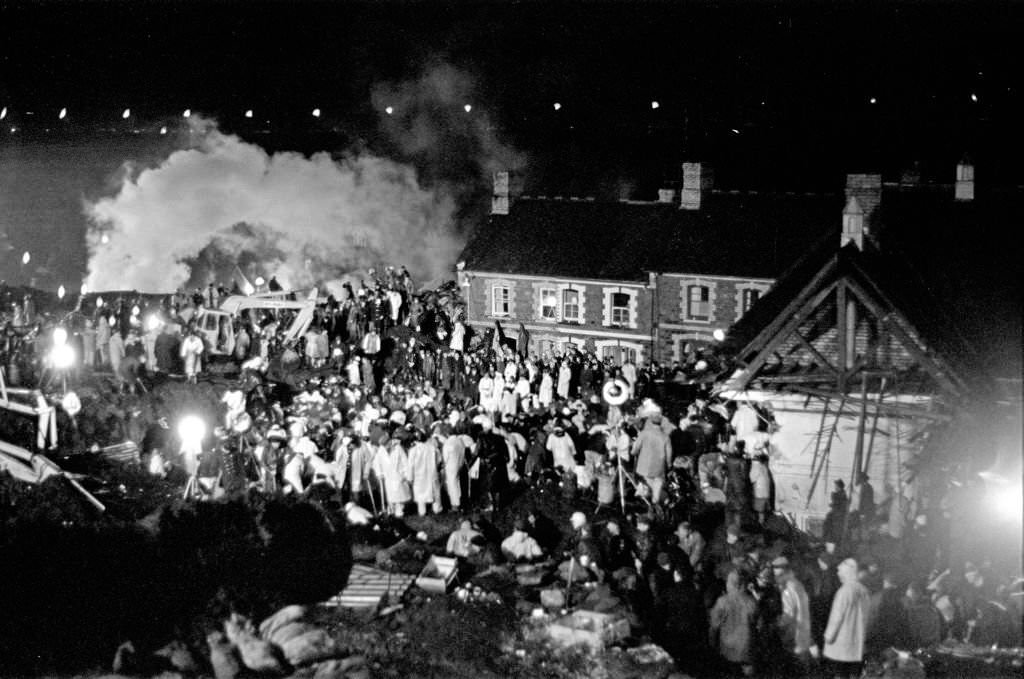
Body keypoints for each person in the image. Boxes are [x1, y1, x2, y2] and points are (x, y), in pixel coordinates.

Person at [823, 557, 871, 679]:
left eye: (841, 573)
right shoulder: (863, 590)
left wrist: (829, 636)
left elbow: (836, 617)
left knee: (841, 673)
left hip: (843, 643)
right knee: (855, 673)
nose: (839, 576)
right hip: (858, 642)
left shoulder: (844, 592)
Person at [709, 570, 757, 677]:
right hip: (746, 654)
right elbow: (759, 628)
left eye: (727, 582)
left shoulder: (722, 601)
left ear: (733, 584)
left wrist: (712, 647)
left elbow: (713, 627)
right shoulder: (752, 602)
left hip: (727, 653)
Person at [773, 556, 812, 669]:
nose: (774, 573)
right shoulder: (797, 583)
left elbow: (788, 615)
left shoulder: (787, 589)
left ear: (781, 571)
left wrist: (776, 624)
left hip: (793, 634)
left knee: (795, 666)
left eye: (775, 570)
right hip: (804, 629)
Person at [632, 404, 672, 504]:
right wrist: (669, 463)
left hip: (644, 467)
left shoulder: (644, 433)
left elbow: (635, 448)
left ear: (650, 421)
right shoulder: (665, 436)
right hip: (659, 466)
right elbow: (669, 452)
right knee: (657, 483)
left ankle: (657, 503)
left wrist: (634, 452)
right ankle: (662, 501)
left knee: (650, 483)